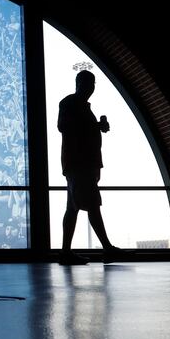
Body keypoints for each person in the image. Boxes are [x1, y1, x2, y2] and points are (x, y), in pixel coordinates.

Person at [57, 70, 125, 265]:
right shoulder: (71, 103)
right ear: (80, 83)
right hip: (81, 163)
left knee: (73, 207)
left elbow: (70, 127)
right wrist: (95, 127)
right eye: (90, 82)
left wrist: (96, 126)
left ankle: (66, 252)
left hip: (80, 163)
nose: (92, 87)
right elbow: (64, 126)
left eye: (93, 83)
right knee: (92, 204)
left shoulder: (74, 105)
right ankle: (107, 248)